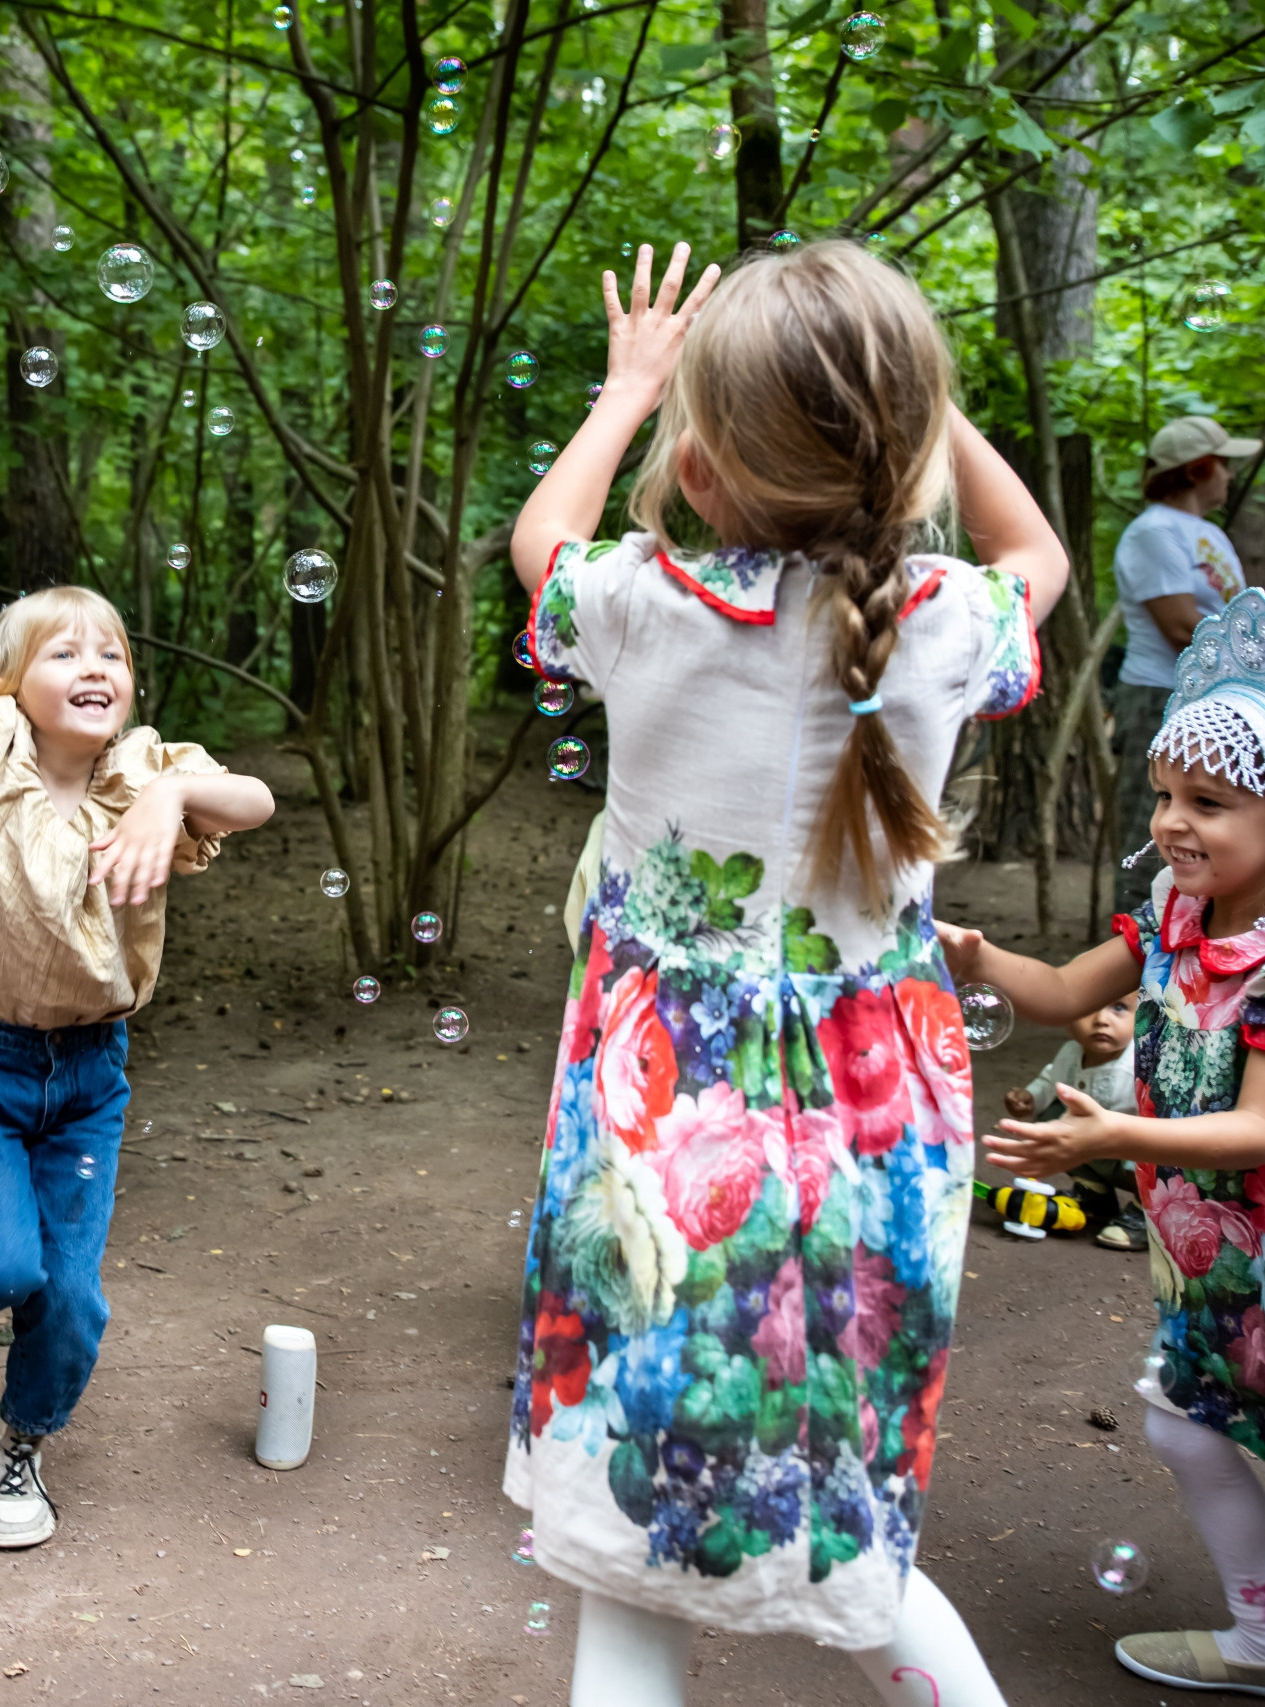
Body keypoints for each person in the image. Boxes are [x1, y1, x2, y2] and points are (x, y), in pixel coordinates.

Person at [505, 238, 1068, 1706]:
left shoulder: (635, 601)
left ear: (699, 467)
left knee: (629, 1545)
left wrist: (627, 384)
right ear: (907, 452)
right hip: (875, 1138)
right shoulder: (943, 619)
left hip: (658, 1135)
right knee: (849, 1529)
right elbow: (1045, 558)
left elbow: (539, 536)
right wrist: (912, 409)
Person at [944, 587, 1265, 1704]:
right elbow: (1055, 992)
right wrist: (977, 955)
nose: (1171, 822)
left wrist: (1110, 1134)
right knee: (1186, 1420)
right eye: (1161, 796)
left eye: (1208, 801)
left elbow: (1257, 1130)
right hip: (1213, 1264)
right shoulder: (1171, 923)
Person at [0, 377, 276, 1549]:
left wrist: (175, 793)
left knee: (69, 1298)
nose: (97, 662)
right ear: (12, 687)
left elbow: (254, 798)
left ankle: (20, 1451)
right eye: (65, 650)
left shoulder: (148, 767)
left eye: (113, 649)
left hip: (91, 1072)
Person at [1112, 415, 1260, 916]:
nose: (1230, 474)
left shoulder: (1204, 533)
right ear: (1197, 469)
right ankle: (1132, 960)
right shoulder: (1153, 533)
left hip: (1215, 700)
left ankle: (1186, 950)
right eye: (1223, 463)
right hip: (1162, 697)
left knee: (1206, 828)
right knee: (1151, 832)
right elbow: (1179, 625)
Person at [1001, 990, 1147, 1249]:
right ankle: (1093, 1193)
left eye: (1119, 1008)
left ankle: (1145, 1213)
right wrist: (1030, 1096)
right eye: (1090, 1007)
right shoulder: (1070, 1052)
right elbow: (1052, 1078)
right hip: (1096, 1148)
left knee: (1148, 1139)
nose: (1101, 1019)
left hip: (1133, 1155)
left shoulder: (1140, 1063)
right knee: (1053, 1115)